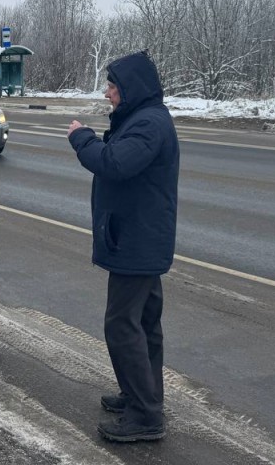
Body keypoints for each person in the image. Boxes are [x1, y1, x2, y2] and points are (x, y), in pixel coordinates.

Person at [66, 50, 179, 444]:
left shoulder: (148, 124)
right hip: (139, 237)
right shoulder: (142, 118)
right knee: (145, 325)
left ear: (131, 88)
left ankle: (146, 417)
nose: (108, 92)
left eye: (113, 85)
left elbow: (113, 163)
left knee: (121, 326)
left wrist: (81, 138)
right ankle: (143, 396)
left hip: (138, 242)